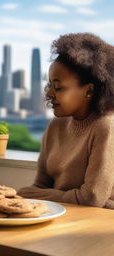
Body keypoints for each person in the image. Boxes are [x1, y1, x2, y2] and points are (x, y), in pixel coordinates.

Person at [18, 33, 114, 209]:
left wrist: (34, 195)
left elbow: (92, 198)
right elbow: (40, 185)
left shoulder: (105, 125)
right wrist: (18, 198)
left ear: (89, 91)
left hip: (98, 223)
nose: (48, 94)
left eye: (58, 87)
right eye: (49, 86)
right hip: (62, 216)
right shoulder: (56, 125)